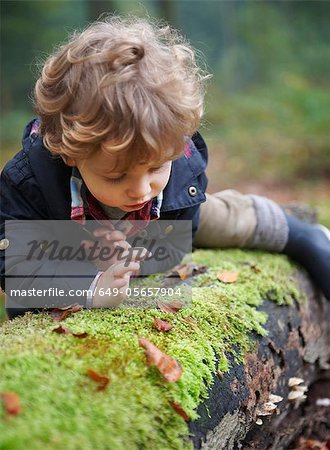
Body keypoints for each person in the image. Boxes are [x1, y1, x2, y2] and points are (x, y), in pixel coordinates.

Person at [1, 15, 329, 319]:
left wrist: (130, 255)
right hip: (71, 232)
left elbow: (174, 245)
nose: (141, 190)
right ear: (69, 153)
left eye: (156, 168)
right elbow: (12, 270)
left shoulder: (174, 178)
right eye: (116, 175)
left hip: (162, 221)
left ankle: (303, 235)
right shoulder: (29, 186)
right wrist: (90, 282)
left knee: (226, 217)